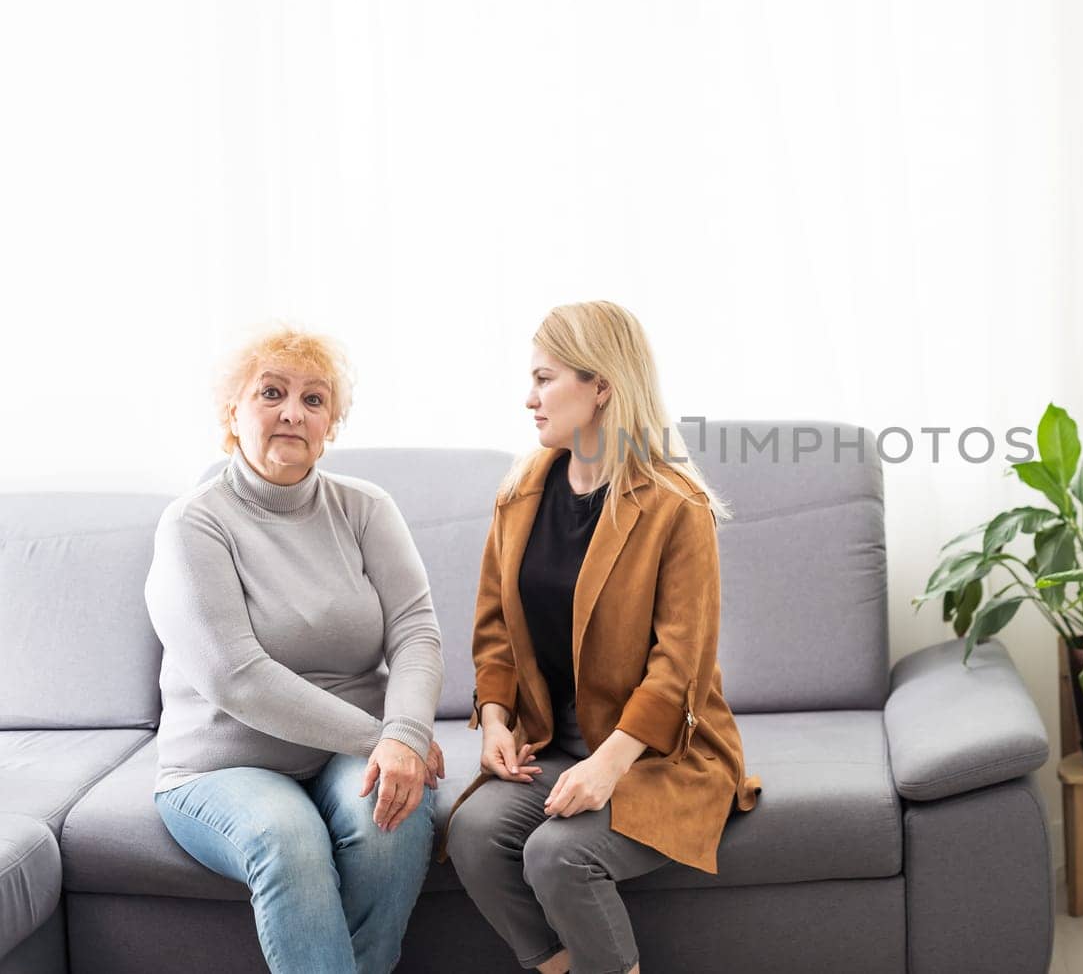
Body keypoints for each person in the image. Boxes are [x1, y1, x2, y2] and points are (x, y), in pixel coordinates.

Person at [445, 301, 762, 974]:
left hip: (661, 755)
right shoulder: (520, 492)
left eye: (544, 378)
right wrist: (495, 719)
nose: (528, 398)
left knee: (557, 853)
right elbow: (496, 628)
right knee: (473, 832)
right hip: (557, 743)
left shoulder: (678, 509)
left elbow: (679, 669)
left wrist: (608, 763)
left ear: (602, 387)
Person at [145, 325, 446, 974]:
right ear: (233, 410)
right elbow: (238, 677)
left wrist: (408, 732)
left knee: (399, 809)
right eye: (272, 392)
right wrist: (386, 737)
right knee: (290, 839)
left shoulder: (366, 507)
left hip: (347, 754)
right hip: (224, 764)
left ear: (330, 421)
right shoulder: (193, 523)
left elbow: (416, 629)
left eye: (314, 399)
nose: (292, 411)